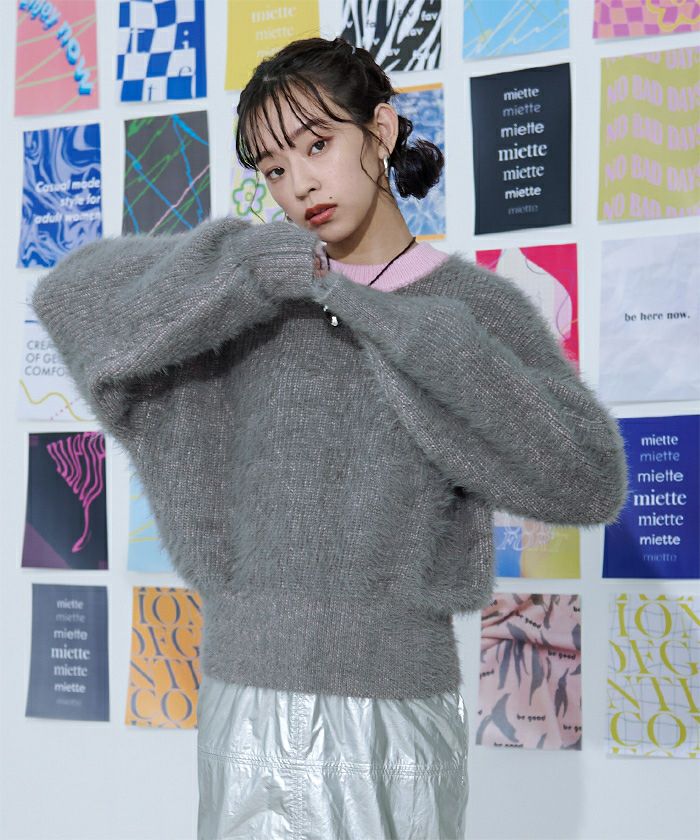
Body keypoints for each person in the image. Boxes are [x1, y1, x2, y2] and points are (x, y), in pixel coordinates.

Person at [31, 36, 629, 840]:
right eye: (274, 169)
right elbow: (72, 299)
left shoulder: (473, 309)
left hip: (396, 709)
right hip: (250, 703)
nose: (300, 183)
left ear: (379, 130)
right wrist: (257, 269)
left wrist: (390, 323)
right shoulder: (253, 300)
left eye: (318, 145)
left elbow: (586, 480)